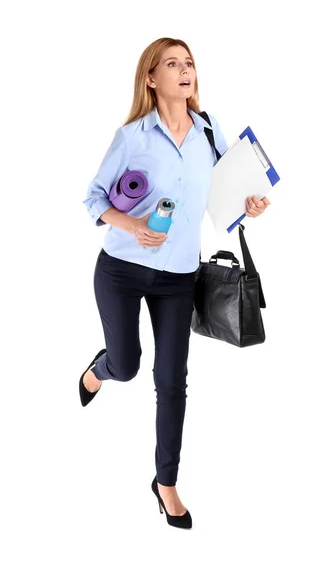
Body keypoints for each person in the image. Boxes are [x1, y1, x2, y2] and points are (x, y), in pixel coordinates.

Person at [80, 37, 271, 529]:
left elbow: (232, 190)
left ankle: (165, 482)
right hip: (121, 270)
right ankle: (100, 370)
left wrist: (250, 203)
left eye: (189, 63)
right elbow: (94, 198)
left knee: (172, 382)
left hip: (179, 276)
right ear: (151, 78)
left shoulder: (210, 132)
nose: (185, 71)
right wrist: (132, 226)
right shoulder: (132, 137)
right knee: (127, 365)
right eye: (172, 63)